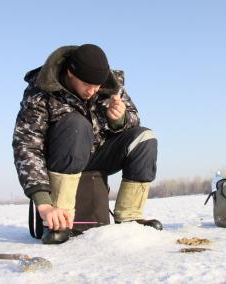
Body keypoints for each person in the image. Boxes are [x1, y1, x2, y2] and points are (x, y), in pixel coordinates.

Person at [12, 44, 161, 244]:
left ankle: (130, 218)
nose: (93, 91)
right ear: (70, 73)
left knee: (145, 138)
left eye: (97, 86)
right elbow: (26, 144)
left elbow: (134, 119)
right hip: (62, 158)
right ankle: (59, 221)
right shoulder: (41, 92)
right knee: (76, 124)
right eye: (87, 85)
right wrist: (43, 203)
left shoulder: (110, 85)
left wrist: (119, 119)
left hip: (98, 157)